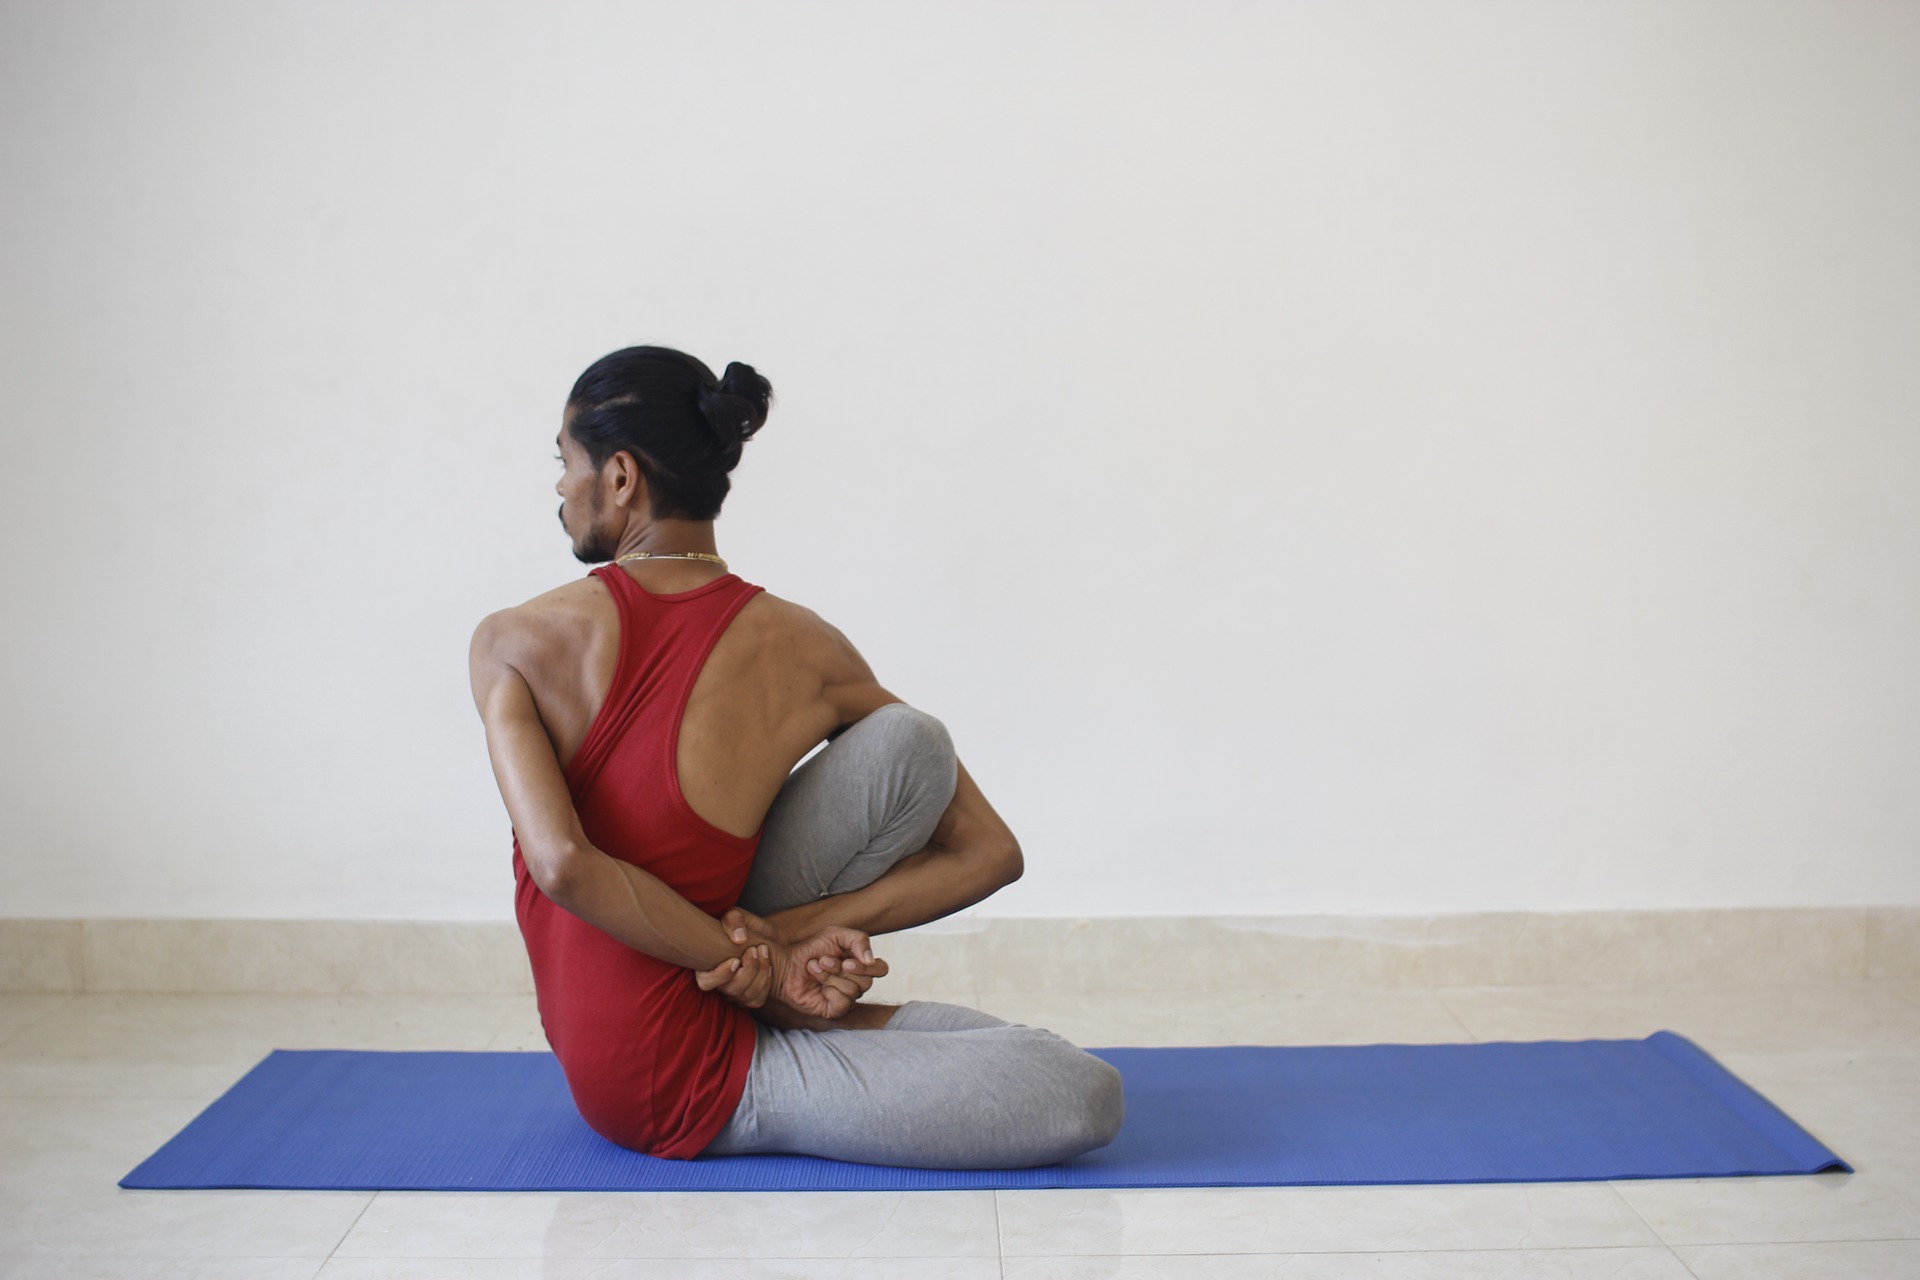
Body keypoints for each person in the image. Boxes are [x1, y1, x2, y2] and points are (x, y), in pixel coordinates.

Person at [468, 344, 1124, 1167]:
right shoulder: (805, 646)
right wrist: (761, 965)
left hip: (710, 1013)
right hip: (674, 1078)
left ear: (622, 476)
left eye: (565, 463)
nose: (562, 488)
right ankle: (791, 1017)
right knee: (1083, 1092)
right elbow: (566, 866)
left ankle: (794, 1014)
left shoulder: (514, 640)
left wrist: (780, 941)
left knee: (908, 741)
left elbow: (994, 854)